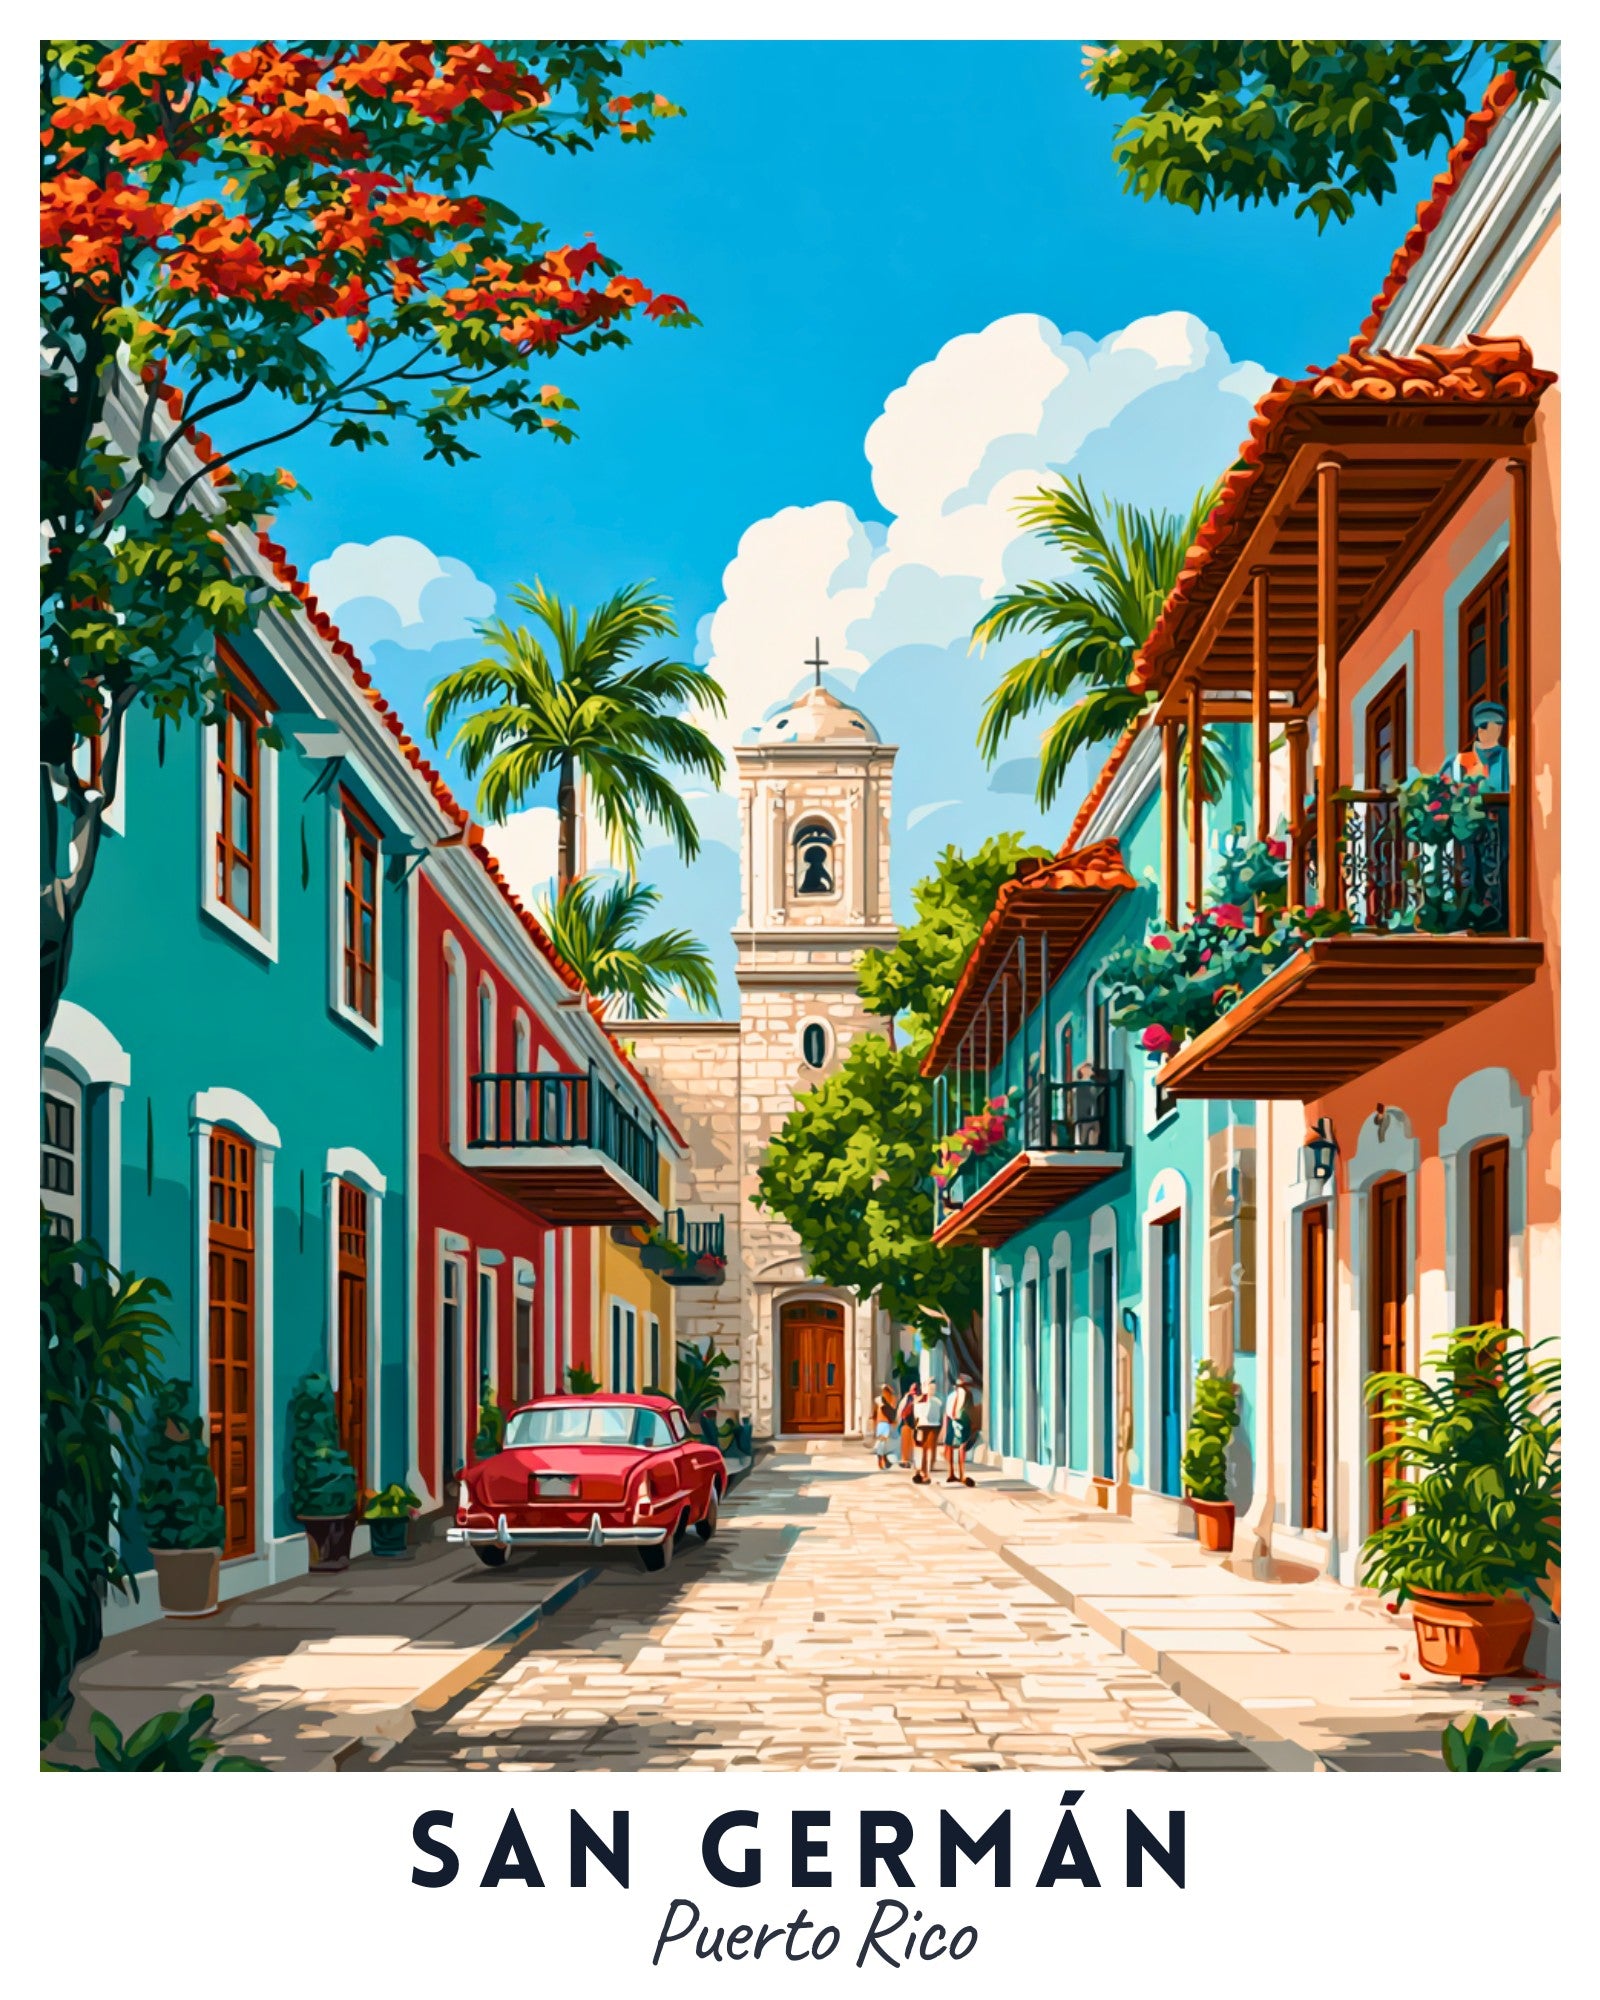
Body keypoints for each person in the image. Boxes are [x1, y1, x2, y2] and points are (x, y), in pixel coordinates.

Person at [1445, 699, 1508, 791]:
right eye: (1484, 726)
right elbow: (1455, 794)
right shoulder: (1460, 760)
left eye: (1499, 726)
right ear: (1479, 730)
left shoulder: (1507, 757)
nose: (1497, 730)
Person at [944, 1373, 978, 1486]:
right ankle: (956, 1473)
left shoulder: (953, 1395)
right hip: (961, 1422)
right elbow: (970, 1410)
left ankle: (954, 1473)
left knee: (953, 1446)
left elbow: (948, 1413)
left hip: (957, 1421)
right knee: (959, 1447)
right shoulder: (965, 1395)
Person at [911, 1379, 945, 1484]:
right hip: (922, 1426)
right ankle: (920, 1471)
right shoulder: (920, 1400)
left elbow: (940, 1415)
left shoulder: (937, 1401)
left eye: (933, 1389)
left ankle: (926, 1474)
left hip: (934, 1426)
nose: (932, 1390)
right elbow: (916, 1414)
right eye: (930, 1388)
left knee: (929, 1450)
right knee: (922, 1450)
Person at [873, 1384, 898, 1470]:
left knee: (884, 1444)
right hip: (883, 1424)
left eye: (885, 1391)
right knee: (882, 1443)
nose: (884, 1393)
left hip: (885, 1424)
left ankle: (883, 1460)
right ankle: (881, 1460)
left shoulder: (888, 1400)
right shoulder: (881, 1400)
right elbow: (876, 1413)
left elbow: (892, 1412)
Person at [895, 1381, 919, 1469]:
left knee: (909, 1444)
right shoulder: (916, 1398)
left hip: (909, 1424)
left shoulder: (907, 1398)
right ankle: (908, 1461)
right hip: (913, 1424)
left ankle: (907, 1461)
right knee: (911, 1444)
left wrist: (897, 1422)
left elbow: (900, 1410)